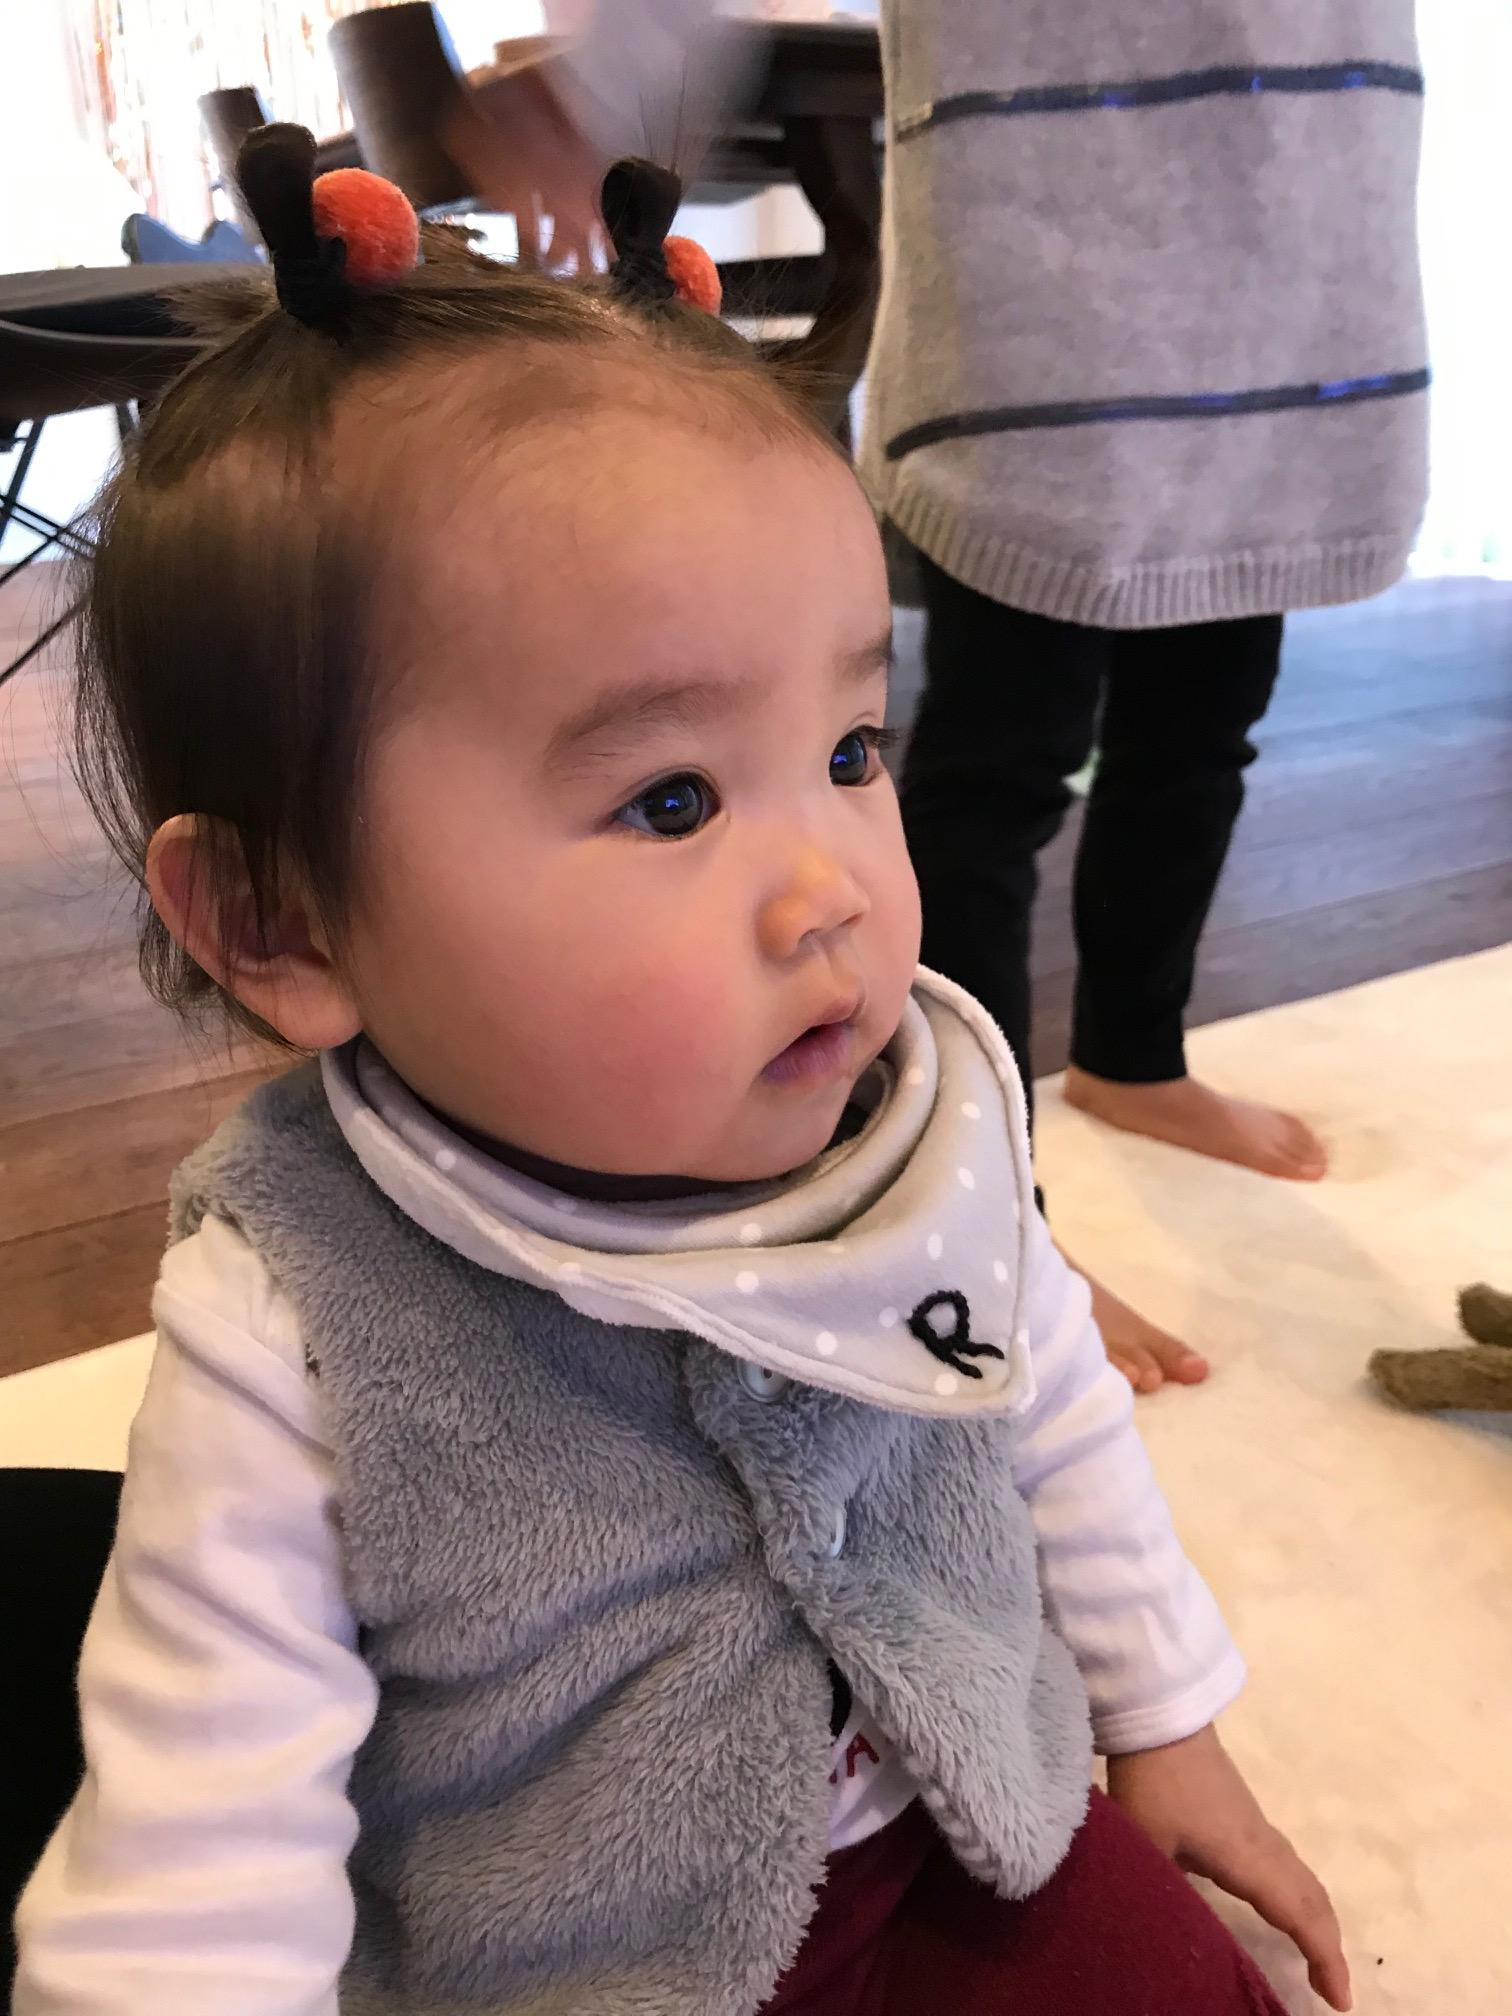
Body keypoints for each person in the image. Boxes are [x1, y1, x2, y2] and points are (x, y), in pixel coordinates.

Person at [12, 130, 1350, 2015]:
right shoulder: (293, 1317)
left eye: (854, 752)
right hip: (592, 1957)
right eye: (671, 799)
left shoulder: (912, 1132)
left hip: (961, 1808)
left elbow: (1043, 1400)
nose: (832, 890)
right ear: (280, 921)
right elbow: (194, 1869)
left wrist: (1169, 1724)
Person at [859, 2, 1430, 1391]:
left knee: (1205, 722)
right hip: (1043, 219)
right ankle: (979, 1200)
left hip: (1297, 202)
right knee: (996, 770)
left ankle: (1134, 1052)